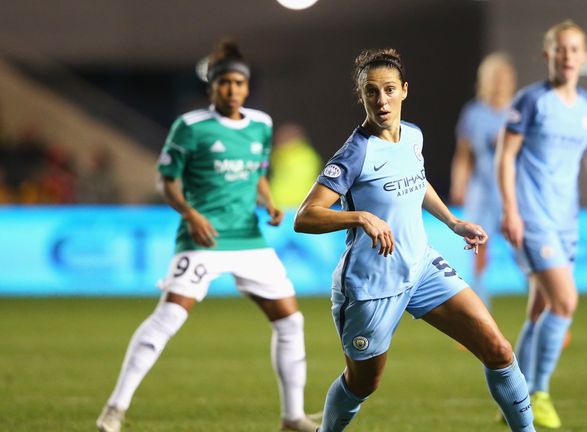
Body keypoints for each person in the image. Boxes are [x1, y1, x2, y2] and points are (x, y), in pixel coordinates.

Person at [294, 48, 536, 432]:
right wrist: (360, 216)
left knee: (499, 350)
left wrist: (453, 222)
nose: (382, 100)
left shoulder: (412, 136)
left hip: (421, 266)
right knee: (362, 384)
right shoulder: (355, 153)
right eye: (372, 92)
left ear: (404, 90)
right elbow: (305, 216)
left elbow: (417, 181)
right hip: (372, 284)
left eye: (389, 89)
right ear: (362, 96)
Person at [96, 40, 319, 432]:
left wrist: (268, 201)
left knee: (290, 321)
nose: (232, 90)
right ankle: (115, 408)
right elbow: (166, 181)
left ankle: (292, 417)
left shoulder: (261, 125)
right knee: (168, 316)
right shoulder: (191, 127)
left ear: (247, 87)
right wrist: (190, 214)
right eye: (224, 83)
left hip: (248, 238)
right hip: (205, 237)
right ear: (212, 87)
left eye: (239, 83)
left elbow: (257, 173)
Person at [495, 20, 587, 429]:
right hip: (533, 218)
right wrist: (511, 210)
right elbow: (505, 157)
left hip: (565, 220)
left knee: (540, 309)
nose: (567, 56)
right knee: (565, 301)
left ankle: (513, 400)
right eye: (560, 49)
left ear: (584, 57)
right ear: (547, 55)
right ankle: (539, 394)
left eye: (574, 49)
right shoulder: (531, 101)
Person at [450, 52, 516, 307]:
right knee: (478, 247)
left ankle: (542, 305)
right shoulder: (473, 113)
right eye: (494, 76)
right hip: (482, 191)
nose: (499, 82)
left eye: (503, 76)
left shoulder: (518, 112)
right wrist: (459, 183)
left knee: (523, 247)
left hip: (513, 192)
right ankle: (479, 307)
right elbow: (464, 154)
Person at [269, 123, 322, 208]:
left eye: (283, 138)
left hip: (288, 204)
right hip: (300, 204)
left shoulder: (283, 154)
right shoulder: (311, 155)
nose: (278, 142)